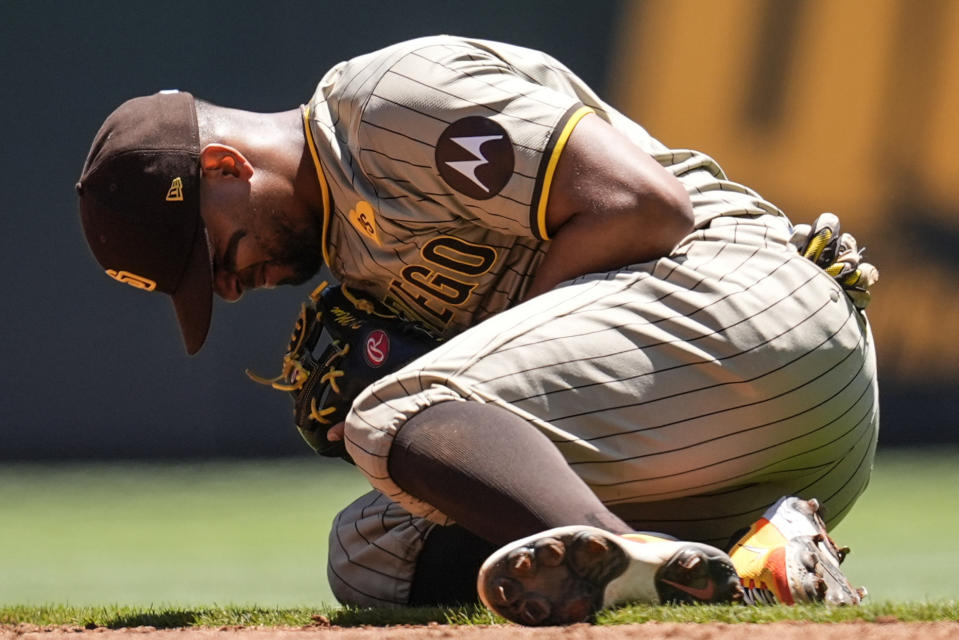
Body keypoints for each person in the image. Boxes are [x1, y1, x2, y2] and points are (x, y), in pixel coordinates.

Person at [76, 36, 878, 625]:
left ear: (223, 167)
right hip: (740, 452)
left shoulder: (384, 106)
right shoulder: (355, 259)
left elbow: (645, 206)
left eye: (209, 254)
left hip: (749, 308)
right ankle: (752, 569)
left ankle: (643, 591)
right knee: (372, 556)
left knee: (391, 414)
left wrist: (449, 379)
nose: (225, 285)